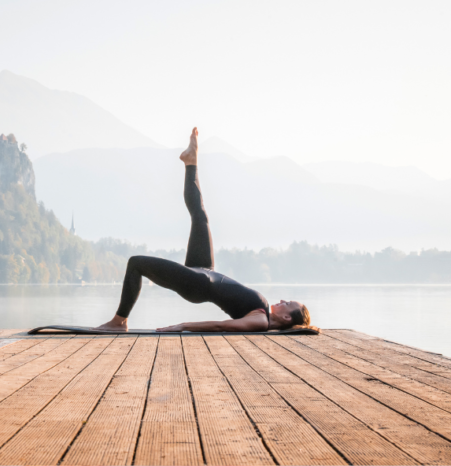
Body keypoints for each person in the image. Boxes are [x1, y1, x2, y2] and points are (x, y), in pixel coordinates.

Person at [97, 127, 310, 333]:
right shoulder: (263, 313)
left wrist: (184, 325)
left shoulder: (260, 321)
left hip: (197, 284)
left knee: (136, 263)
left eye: (288, 303)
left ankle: (119, 321)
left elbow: (221, 326)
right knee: (200, 216)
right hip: (204, 270)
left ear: (287, 317)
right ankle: (191, 161)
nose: (282, 300)